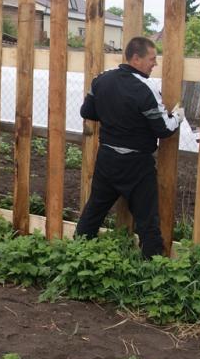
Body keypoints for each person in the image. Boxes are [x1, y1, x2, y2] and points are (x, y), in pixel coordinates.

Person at [75, 36, 185, 258]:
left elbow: (87, 112)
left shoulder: (101, 80)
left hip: (107, 159)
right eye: (152, 59)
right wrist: (178, 116)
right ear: (136, 58)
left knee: (94, 210)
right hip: (136, 164)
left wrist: (113, 114)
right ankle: (153, 267)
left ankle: (77, 253)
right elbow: (163, 129)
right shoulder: (145, 89)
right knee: (147, 219)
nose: (155, 64)